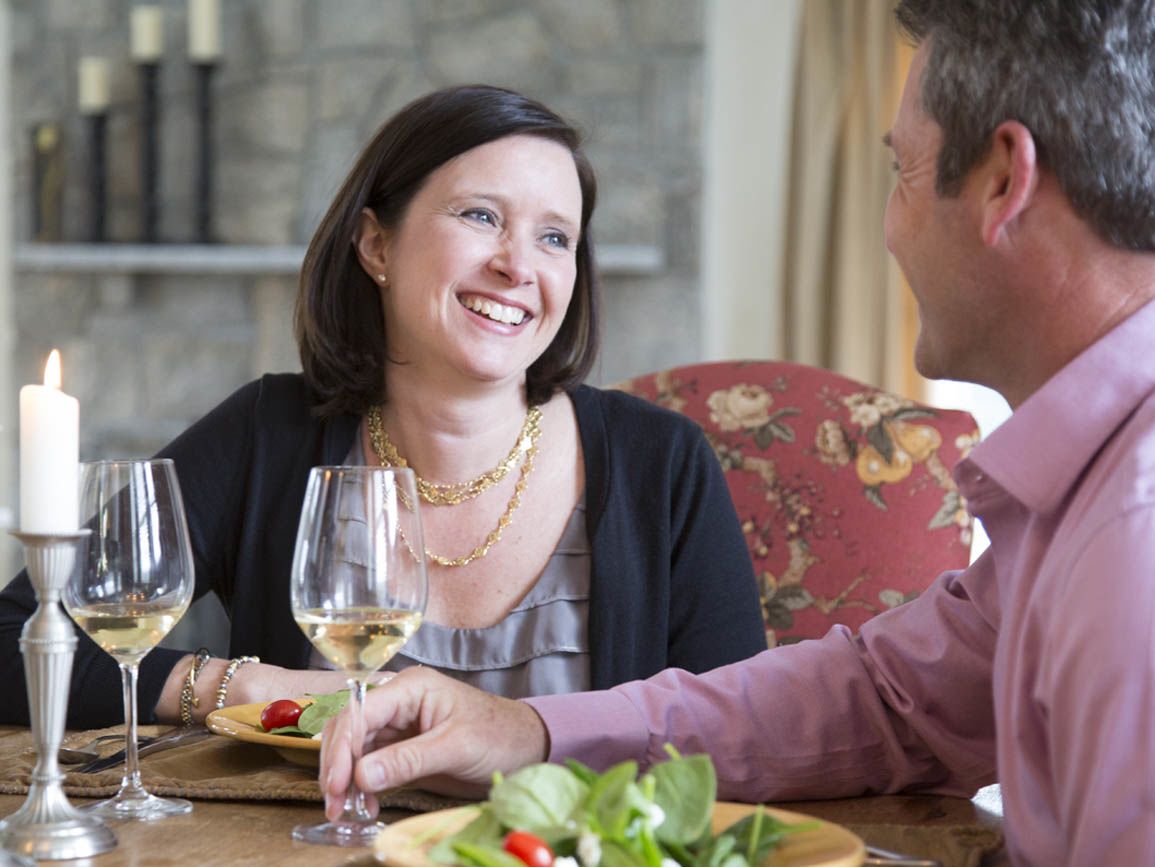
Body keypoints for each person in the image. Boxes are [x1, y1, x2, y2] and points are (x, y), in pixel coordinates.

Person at [319, 3, 1155, 864]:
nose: (889, 229)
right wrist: (528, 726)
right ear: (375, 247)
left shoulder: (1133, 534)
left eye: (900, 171)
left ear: (1001, 182)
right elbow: (883, 696)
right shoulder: (1080, 498)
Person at [0, 85, 766, 728]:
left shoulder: (660, 461)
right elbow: (11, 640)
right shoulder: (270, 433)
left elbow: (736, 726)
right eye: (480, 216)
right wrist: (250, 686)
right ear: (375, 246)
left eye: (555, 237)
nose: (516, 266)